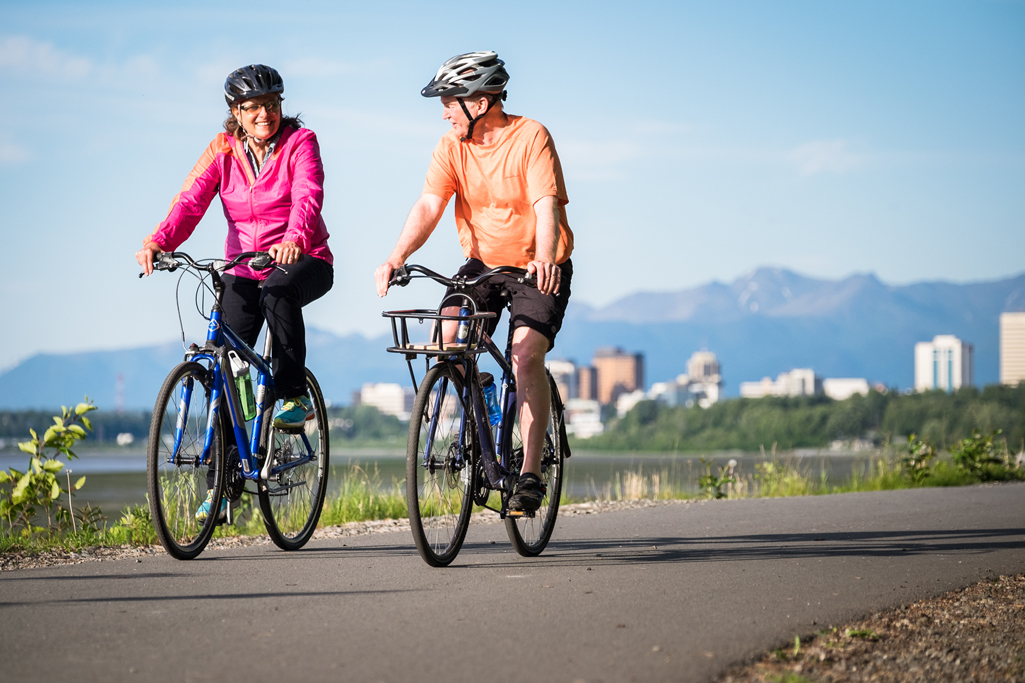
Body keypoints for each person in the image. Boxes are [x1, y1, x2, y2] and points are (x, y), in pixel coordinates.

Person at [375, 51, 574, 513]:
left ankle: (529, 473)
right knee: (447, 337)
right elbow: (429, 204)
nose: (444, 111)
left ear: (480, 103)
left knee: (525, 355)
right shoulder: (451, 146)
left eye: (449, 101)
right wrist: (397, 256)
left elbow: (546, 205)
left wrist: (544, 257)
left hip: (536, 265)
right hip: (482, 262)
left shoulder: (531, 137)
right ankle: (483, 394)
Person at [136, 64, 334, 521]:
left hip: (304, 258)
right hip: (244, 266)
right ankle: (223, 485)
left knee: (279, 292)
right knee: (223, 364)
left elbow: (308, 195)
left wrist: (295, 238)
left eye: (271, 104)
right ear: (236, 112)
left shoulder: (301, 143)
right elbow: (191, 200)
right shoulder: (221, 150)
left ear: (281, 105)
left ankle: (291, 394)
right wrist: (159, 241)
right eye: (253, 107)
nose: (264, 114)